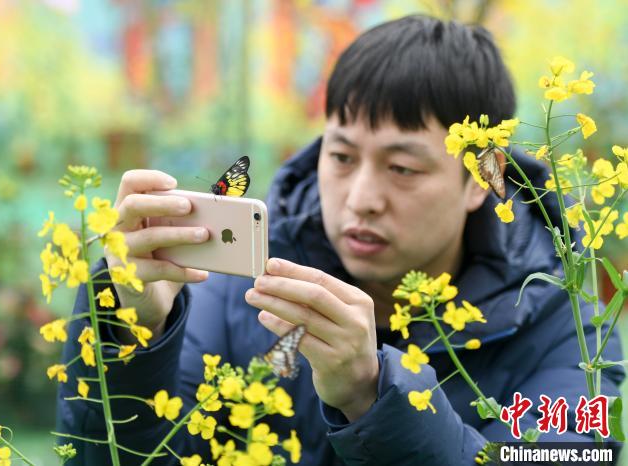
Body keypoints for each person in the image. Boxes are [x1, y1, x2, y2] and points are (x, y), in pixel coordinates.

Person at [57, 14, 624, 465]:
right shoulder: (243, 285)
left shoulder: (565, 324)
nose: (360, 198)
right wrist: (129, 330)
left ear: (483, 177)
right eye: (342, 156)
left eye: (402, 168)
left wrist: (373, 396)